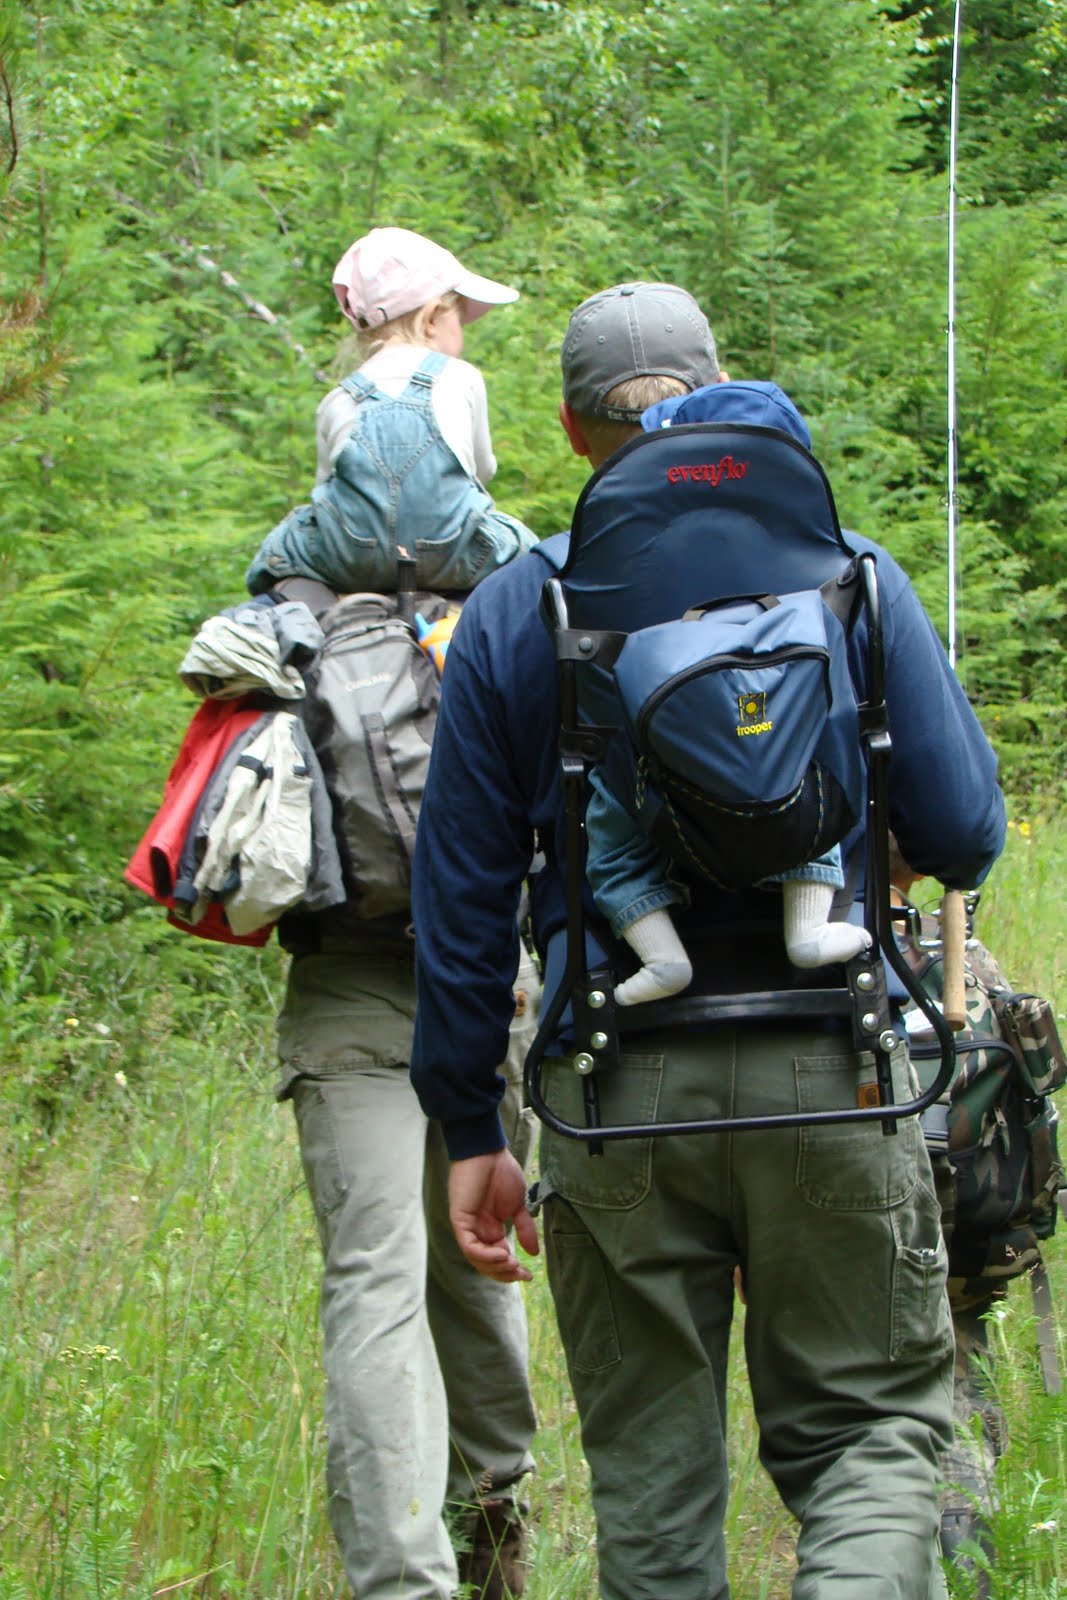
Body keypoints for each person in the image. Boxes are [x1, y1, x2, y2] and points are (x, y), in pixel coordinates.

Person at [408, 280, 1007, 1599]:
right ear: (719, 389)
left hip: (615, 1089)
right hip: (835, 1068)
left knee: (652, 1495)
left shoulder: (518, 606)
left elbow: (457, 901)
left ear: (571, 431)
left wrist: (466, 1124)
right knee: (866, 1444)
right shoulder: (848, 574)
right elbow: (964, 831)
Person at [264, 234, 540, 1600]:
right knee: (477, 1255)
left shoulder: (294, 598)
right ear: (434, 317)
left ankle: (403, 1585)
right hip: (484, 979)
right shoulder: (501, 608)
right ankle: (497, 1537)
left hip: (347, 982)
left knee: (374, 1283)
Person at [584, 378, 872, 1006]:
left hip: (655, 773)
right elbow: (962, 830)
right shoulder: (839, 571)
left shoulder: (610, 567)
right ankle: (808, 927)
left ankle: (661, 954)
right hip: (782, 758)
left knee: (610, 823)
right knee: (822, 761)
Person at [245, 225, 538, 598]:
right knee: (529, 549)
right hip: (455, 554)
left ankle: (280, 615)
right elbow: (482, 471)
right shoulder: (461, 377)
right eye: (460, 319)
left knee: (279, 546)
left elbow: (325, 490)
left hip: (352, 560)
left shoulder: (339, 398)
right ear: (432, 318)